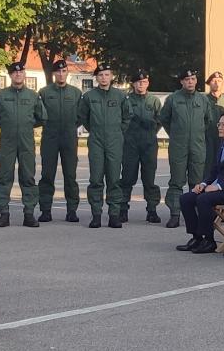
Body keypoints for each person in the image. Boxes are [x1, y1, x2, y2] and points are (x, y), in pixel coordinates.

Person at [178, 112, 224, 254]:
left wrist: (218, 186)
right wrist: (204, 184)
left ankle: (209, 240)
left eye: (223, 125)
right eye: (218, 124)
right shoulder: (222, 145)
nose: (219, 127)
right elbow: (214, 171)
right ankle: (197, 237)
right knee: (186, 198)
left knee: (204, 199)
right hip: (216, 187)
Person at [0, 62, 46, 227]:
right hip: (7, 141)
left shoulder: (33, 96)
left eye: (21, 72)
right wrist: (6, 124)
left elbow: (42, 116)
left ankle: (29, 214)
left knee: (28, 177)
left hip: (26, 141)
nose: (18, 75)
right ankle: (4, 214)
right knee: (5, 177)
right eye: (14, 73)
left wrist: (27, 125)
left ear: (24, 74)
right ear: (10, 75)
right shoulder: (0, 95)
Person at [158, 70, 213, 228]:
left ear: (196, 81)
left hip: (197, 146)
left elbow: (207, 121)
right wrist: (177, 134)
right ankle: (175, 214)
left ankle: (195, 213)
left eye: (193, 79)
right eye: (187, 79)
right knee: (176, 181)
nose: (190, 82)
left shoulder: (203, 100)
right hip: (178, 146)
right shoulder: (173, 99)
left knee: (196, 181)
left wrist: (197, 135)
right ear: (181, 82)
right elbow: (164, 119)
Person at [77, 62, 127, 228]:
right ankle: (96, 215)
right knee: (96, 179)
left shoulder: (120, 96)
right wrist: (95, 130)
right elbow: (83, 117)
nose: (104, 78)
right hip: (96, 140)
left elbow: (127, 117)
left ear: (111, 76)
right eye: (100, 75)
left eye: (106, 74)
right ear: (96, 77)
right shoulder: (89, 97)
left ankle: (114, 215)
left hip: (115, 141)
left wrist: (118, 131)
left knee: (114, 179)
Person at [37, 58, 83, 223]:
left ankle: (72, 211)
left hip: (69, 138)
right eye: (58, 71)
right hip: (50, 137)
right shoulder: (44, 92)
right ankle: (45, 210)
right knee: (47, 175)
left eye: (64, 71)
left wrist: (71, 127)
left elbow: (81, 116)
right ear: (54, 73)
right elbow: (38, 114)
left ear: (67, 73)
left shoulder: (76, 93)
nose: (61, 74)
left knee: (70, 176)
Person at [121, 71, 163, 222]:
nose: (141, 84)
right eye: (138, 82)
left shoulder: (154, 101)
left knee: (149, 179)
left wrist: (150, 133)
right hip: (130, 143)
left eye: (144, 82)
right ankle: (122, 209)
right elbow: (122, 119)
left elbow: (160, 120)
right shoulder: (126, 100)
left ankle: (152, 210)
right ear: (133, 84)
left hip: (149, 144)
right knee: (127, 178)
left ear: (148, 83)